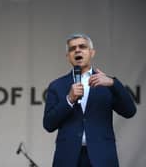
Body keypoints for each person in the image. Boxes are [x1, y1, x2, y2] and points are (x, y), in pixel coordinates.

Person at [43, 33, 136, 167]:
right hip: (68, 157)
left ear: (92, 53)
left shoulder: (106, 83)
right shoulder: (57, 86)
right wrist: (69, 99)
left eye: (82, 47)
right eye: (72, 48)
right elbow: (48, 124)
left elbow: (130, 111)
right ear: (68, 56)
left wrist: (113, 83)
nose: (77, 50)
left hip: (102, 156)